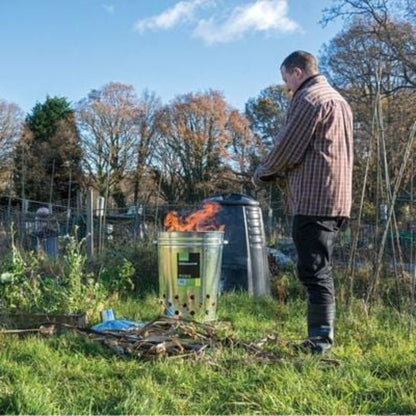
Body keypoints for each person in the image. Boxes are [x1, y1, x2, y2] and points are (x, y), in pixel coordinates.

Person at [253, 50, 353, 354]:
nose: (287, 88)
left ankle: (320, 342)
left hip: (314, 198)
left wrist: (262, 174)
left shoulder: (310, 99)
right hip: (337, 198)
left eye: (286, 80)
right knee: (320, 266)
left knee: (314, 270)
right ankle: (321, 337)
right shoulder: (339, 100)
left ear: (297, 71)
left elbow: (287, 148)